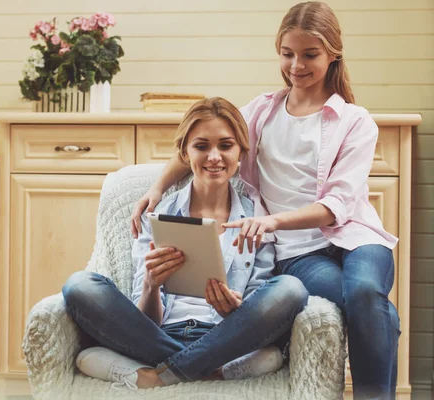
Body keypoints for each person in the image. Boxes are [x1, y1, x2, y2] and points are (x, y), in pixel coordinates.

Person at [130, 2, 400, 399]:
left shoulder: (355, 121)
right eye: (287, 53)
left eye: (310, 55)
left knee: (364, 293)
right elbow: (201, 138)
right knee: (373, 307)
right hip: (299, 253)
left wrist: (272, 221)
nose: (296, 65)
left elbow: (337, 205)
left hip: (356, 238)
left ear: (333, 55)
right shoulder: (260, 112)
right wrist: (157, 189)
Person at [62, 97, 308, 390]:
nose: (214, 157)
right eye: (201, 146)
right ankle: (207, 369)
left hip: (224, 337)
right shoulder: (158, 216)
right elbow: (145, 320)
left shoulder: (257, 219)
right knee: (80, 285)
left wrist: (233, 311)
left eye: (225, 146)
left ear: (241, 152)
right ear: (184, 153)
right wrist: (152, 285)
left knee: (291, 289)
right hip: (158, 336)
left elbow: (253, 321)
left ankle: (157, 375)